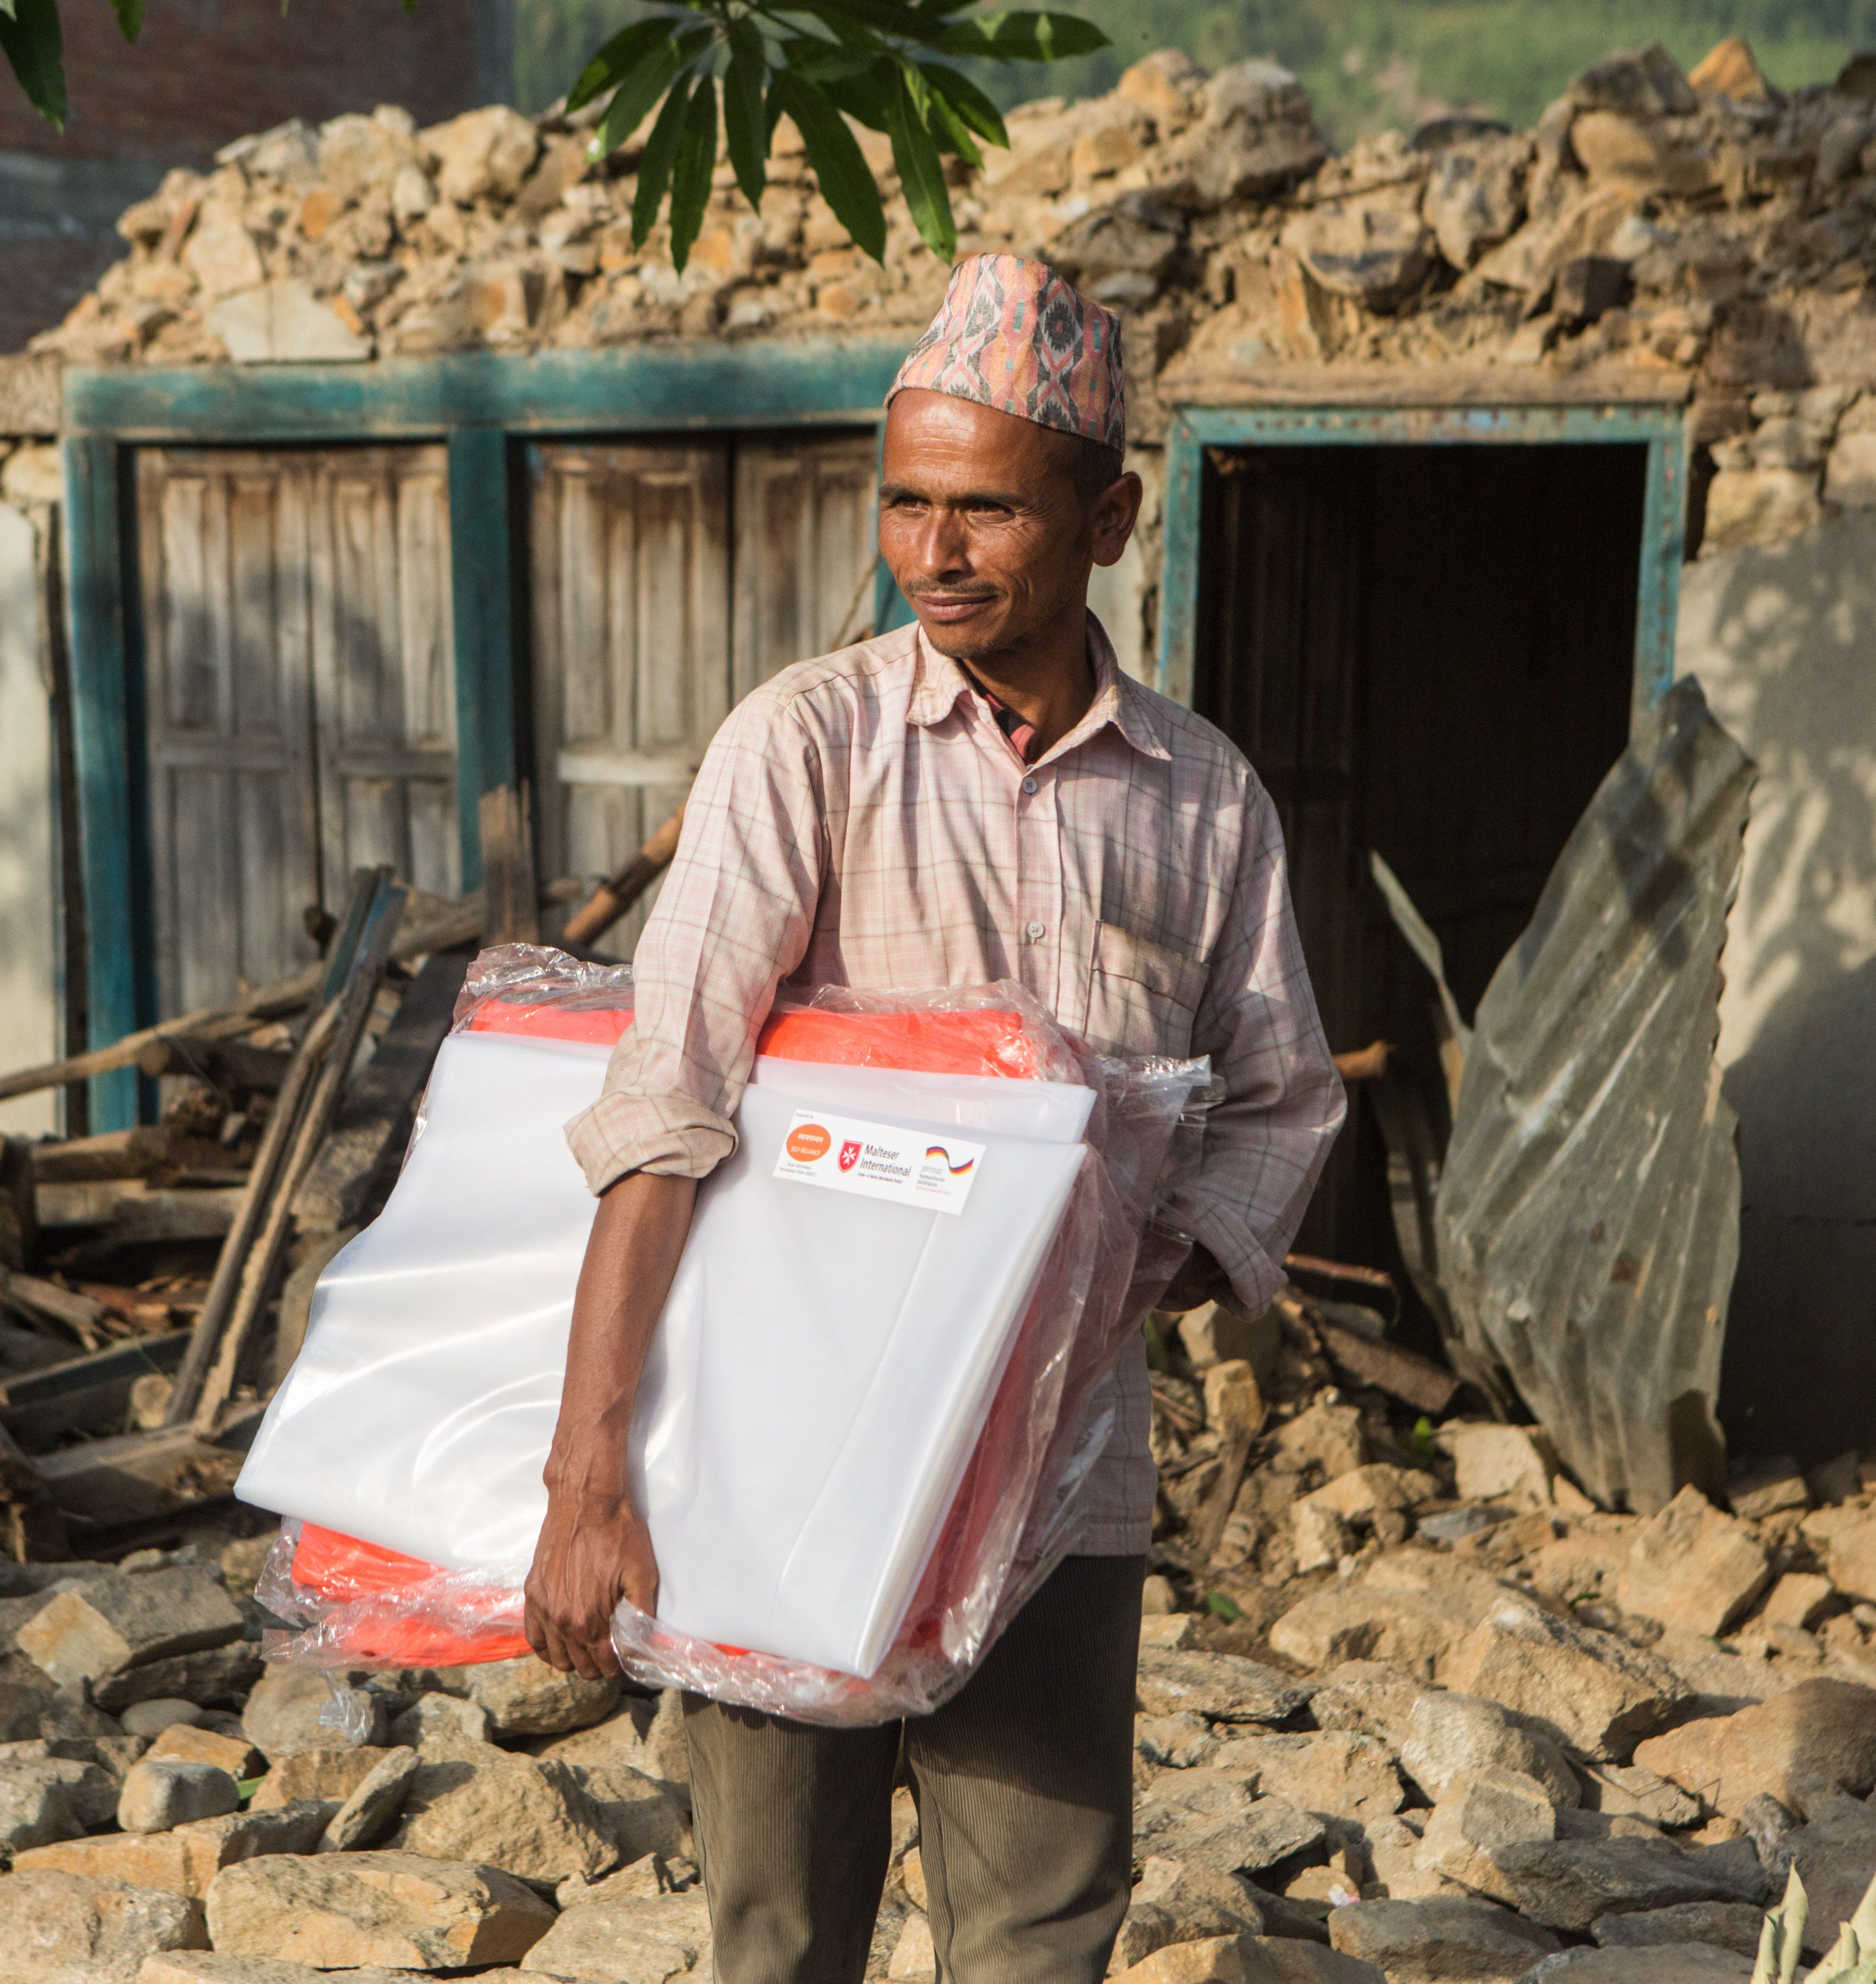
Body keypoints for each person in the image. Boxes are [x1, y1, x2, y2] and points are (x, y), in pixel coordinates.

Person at [522, 253, 1346, 1984]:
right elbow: (666, 1103)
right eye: (906, 501)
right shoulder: (805, 748)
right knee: (779, 1931)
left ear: (1109, 519)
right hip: (775, 1457)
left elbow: (1280, 1102)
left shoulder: (1202, 800)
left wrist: (1117, 1293)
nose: (934, 550)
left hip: (1059, 1483)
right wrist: (589, 1471)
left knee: (1041, 1929)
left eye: (987, 509)